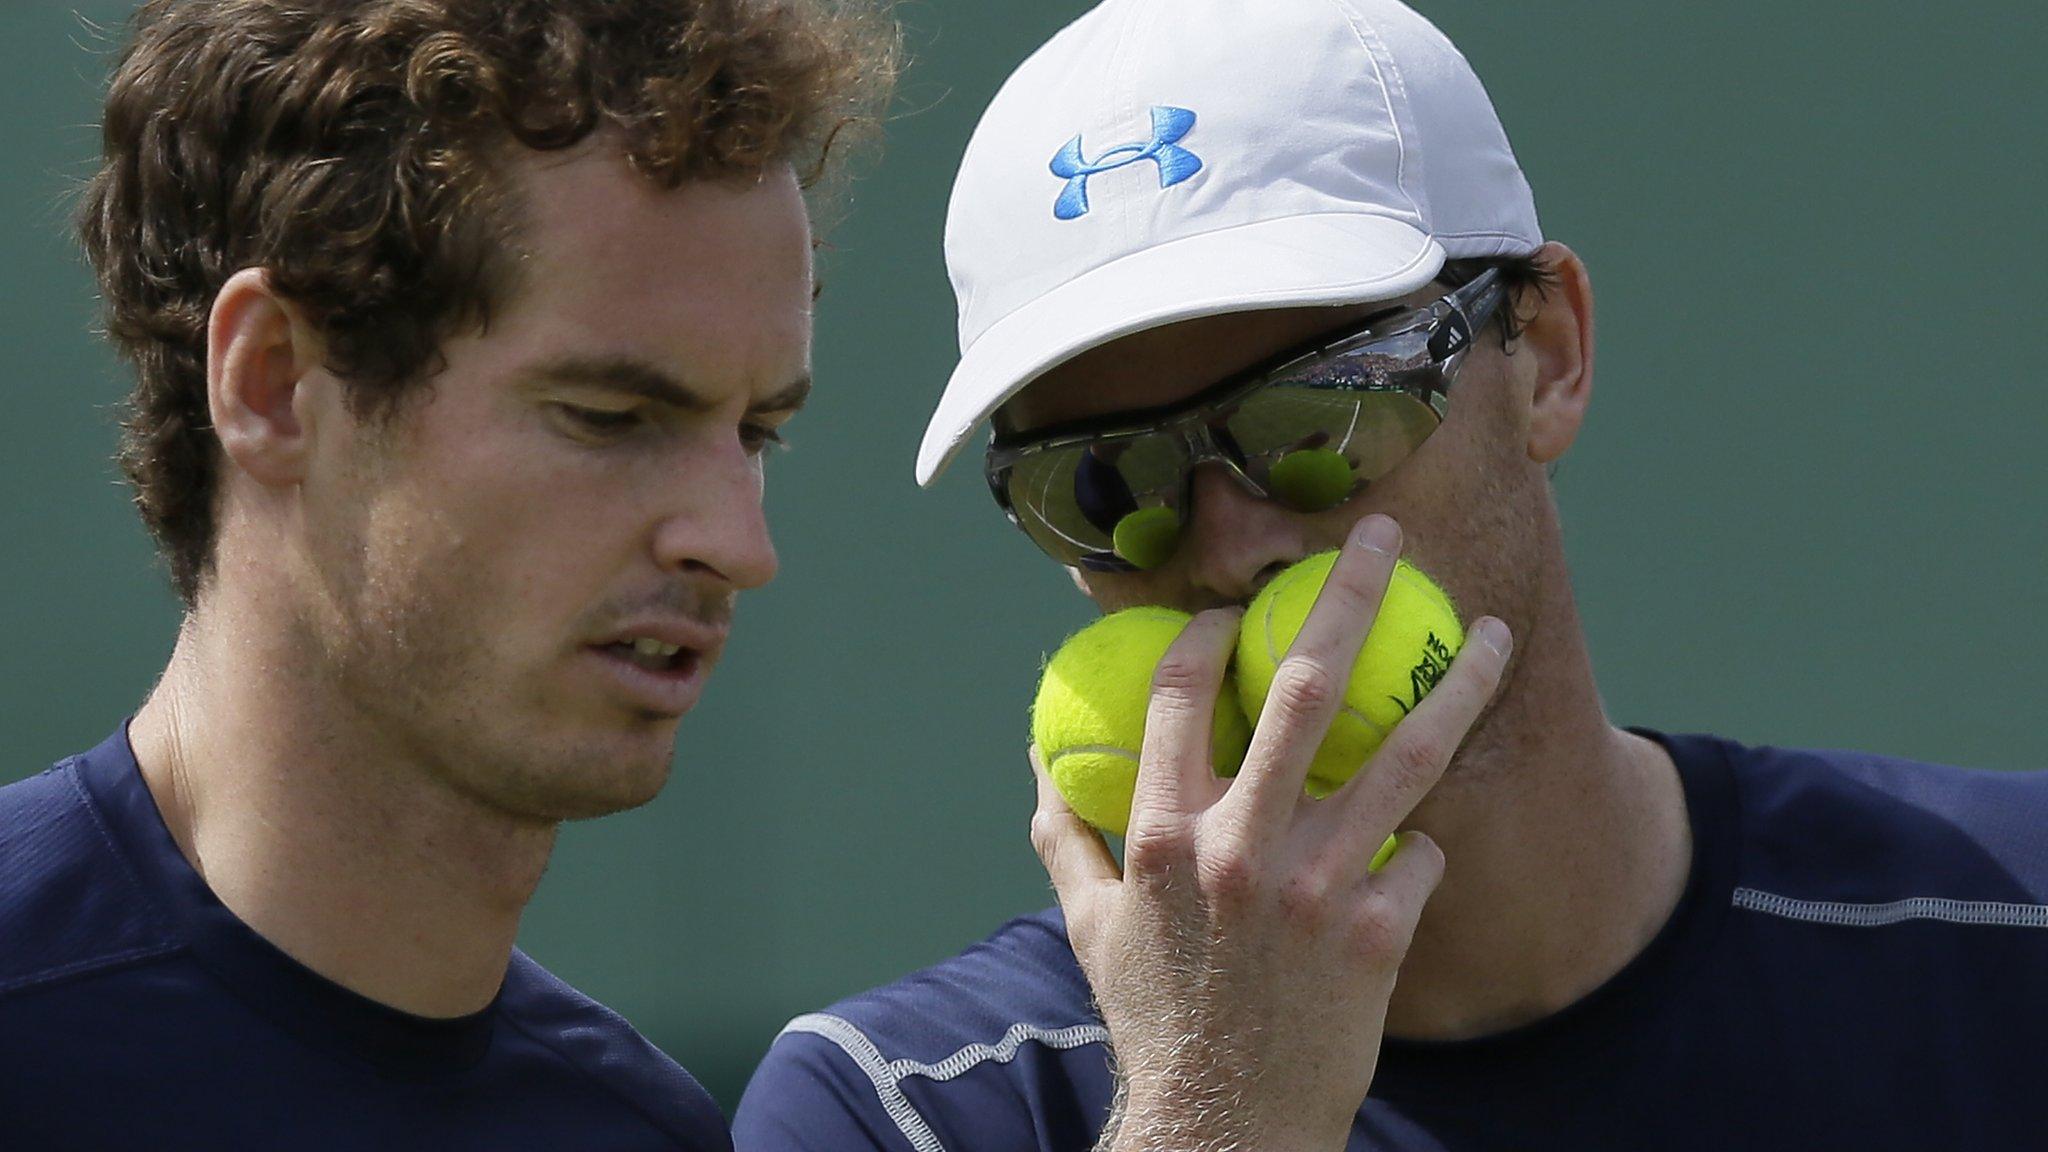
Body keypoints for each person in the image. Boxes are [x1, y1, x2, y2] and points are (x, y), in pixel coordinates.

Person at [733, 0, 2048, 1148]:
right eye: (1105, 482)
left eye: (1318, 419)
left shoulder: (2011, 929)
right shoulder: (903, 1113)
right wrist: (1222, 1115)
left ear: (1546, 352)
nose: (1233, 549)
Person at [0, 1, 891, 1148]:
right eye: (611, 417)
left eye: (754, 434)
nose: (735, 543)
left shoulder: (639, 1130)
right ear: (272, 382)